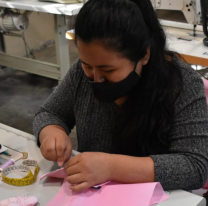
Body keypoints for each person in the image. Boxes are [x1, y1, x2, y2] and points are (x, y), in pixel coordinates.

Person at [33, 0, 208, 193]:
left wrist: (111, 167)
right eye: (87, 66)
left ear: (144, 55)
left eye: (108, 69)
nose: (96, 78)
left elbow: (195, 167)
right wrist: (51, 132)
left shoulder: (182, 83)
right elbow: (49, 113)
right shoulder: (81, 73)